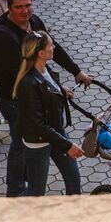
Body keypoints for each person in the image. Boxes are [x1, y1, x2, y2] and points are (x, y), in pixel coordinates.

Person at [0, 0, 92, 197]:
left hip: (43, 107)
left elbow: (51, 51)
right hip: (14, 99)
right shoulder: (3, 37)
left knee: (55, 148)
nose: (25, 11)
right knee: (20, 144)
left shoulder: (34, 23)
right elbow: (22, 72)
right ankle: (15, 190)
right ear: (9, 8)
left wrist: (75, 71)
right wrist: (54, 88)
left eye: (28, 5)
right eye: (19, 7)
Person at [11, 30, 84, 196]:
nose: (54, 47)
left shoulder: (44, 68)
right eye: (51, 44)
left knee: (73, 180)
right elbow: (36, 124)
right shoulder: (28, 84)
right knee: (36, 191)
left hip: (55, 131)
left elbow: (47, 89)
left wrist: (60, 89)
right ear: (41, 53)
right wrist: (68, 146)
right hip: (39, 141)